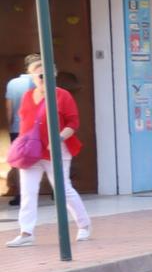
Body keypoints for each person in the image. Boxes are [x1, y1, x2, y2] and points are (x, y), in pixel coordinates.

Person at [7, 54, 93, 248]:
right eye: (38, 73)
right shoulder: (28, 96)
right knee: (28, 191)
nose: (41, 77)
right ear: (31, 75)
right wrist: (22, 145)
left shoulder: (62, 95)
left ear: (53, 74)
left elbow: (73, 123)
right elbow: (25, 123)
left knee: (63, 189)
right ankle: (26, 232)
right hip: (32, 151)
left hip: (56, 149)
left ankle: (84, 225)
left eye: (46, 73)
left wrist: (59, 138)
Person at [4, 59, 31, 207]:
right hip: (38, 129)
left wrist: (10, 126)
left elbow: (9, 108)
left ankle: (21, 195)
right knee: (46, 159)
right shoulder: (43, 83)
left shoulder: (13, 83)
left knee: (20, 163)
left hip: (17, 129)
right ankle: (55, 192)